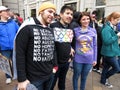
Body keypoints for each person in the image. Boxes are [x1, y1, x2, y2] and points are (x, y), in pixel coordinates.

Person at [15, 2, 58, 90]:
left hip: (50, 74)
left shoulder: (50, 29)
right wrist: (22, 79)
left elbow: (52, 49)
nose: (52, 15)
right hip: (34, 78)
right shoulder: (27, 28)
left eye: (54, 13)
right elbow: (20, 54)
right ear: (41, 12)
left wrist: (55, 66)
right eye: (49, 11)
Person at [50, 5, 74, 90]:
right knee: (51, 83)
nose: (70, 16)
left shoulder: (71, 28)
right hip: (54, 63)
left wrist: (71, 57)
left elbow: (71, 43)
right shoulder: (52, 26)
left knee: (62, 82)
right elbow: (50, 46)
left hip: (66, 62)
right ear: (60, 14)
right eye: (67, 13)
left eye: (71, 14)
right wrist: (54, 63)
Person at [72, 12, 97, 90]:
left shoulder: (93, 31)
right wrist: (70, 48)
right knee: (76, 76)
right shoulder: (75, 30)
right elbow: (69, 42)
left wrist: (95, 59)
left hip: (89, 59)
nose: (86, 21)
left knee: (84, 77)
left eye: (88, 19)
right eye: (83, 19)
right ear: (80, 21)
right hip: (78, 59)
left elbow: (95, 46)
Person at [100, 12, 120, 88]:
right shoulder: (106, 28)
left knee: (105, 67)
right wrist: (117, 36)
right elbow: (107, 41)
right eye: (117, 20)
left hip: (109, 52)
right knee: (117, 68)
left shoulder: (109, 26)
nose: (118, 22)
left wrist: (115, 33)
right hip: (109, 53)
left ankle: (103, 81)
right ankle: (105, 78)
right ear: (112, 19)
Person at [0, 6, 19, 84]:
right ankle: (8, 77)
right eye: (5, 11)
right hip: (4, 48)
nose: (7, 12)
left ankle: (15, 74)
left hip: (15, 47)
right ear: (0, 13)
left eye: (8, 10)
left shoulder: (13, 22)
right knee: (6, 63)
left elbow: (19, 32)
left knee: (16, 61)